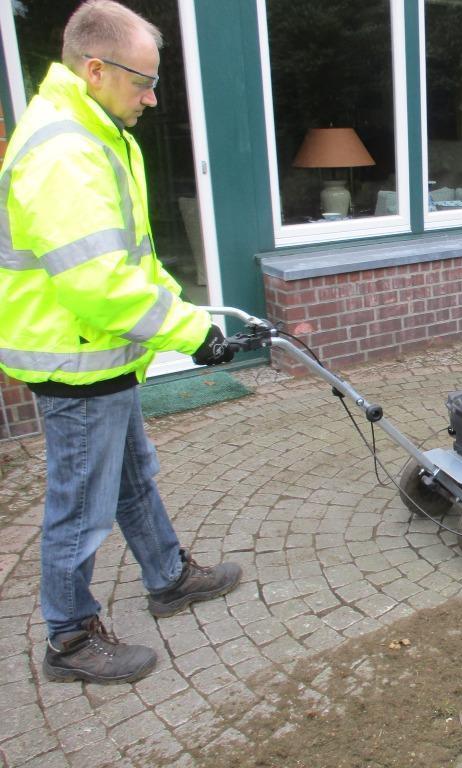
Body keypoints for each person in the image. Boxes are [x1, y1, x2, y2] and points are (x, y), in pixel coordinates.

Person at [0, 0, 241, 684]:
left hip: (102, 353)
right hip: (75, 358)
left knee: (135, 476)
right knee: (80, 505)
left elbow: (132, 257)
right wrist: (189, 331)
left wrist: (185, 312)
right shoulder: (64, 151)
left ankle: (168, 578)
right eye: (143, 80)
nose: (153, 95)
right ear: (96, 68)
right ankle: (70, 638)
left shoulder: (94, 132)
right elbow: (97, 283)